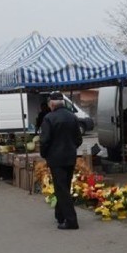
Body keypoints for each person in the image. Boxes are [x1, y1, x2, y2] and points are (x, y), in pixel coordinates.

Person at [40, 91, 83, 230]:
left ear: (52, 104)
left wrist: (45, 154)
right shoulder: (73, 117)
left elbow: (45, 140)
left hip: (56, 159)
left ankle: (71, 221)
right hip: (70, 157)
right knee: (64, 187)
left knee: (61, 189)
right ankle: (60, 215)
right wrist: (71, 148)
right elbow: (78, 139)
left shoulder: (49, 118)